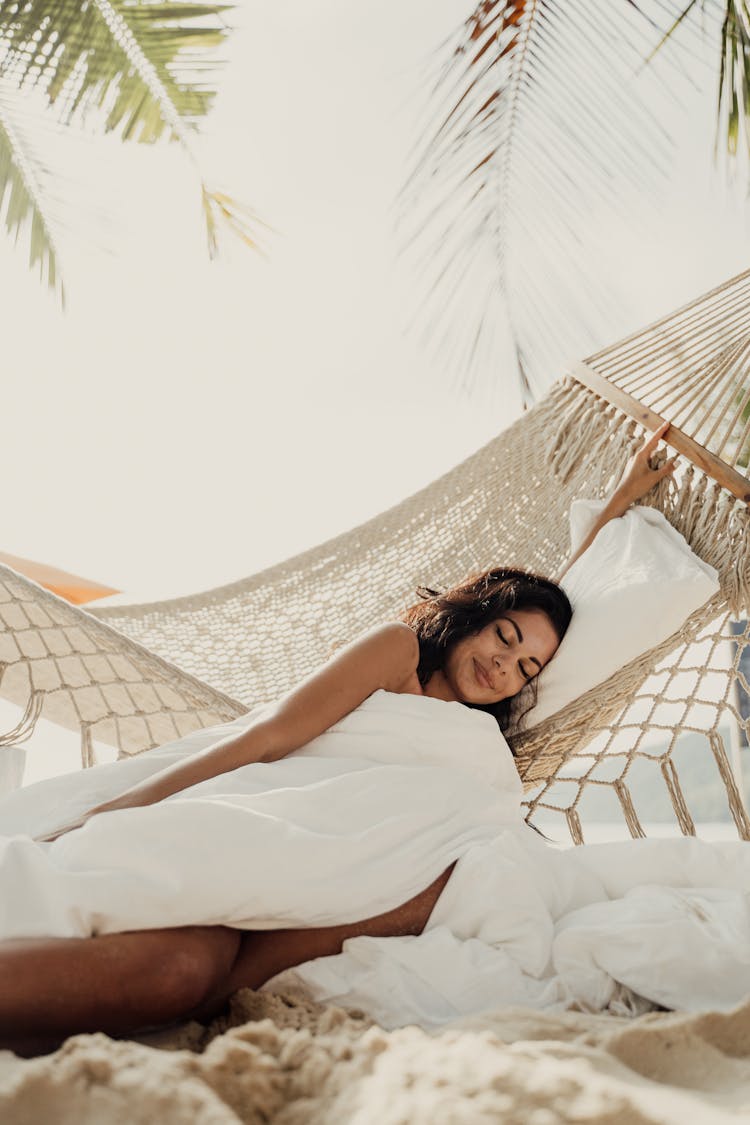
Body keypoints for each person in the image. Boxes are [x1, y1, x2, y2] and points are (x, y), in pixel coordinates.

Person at [0, 426, 678, 1055]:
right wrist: (124, 805)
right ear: (478, 611)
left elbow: (561, 605)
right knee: (177, 966)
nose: (507, 665)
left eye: (527, 667)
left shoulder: (474, 736)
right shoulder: (398, 654)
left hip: (330, 886)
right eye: (504, 637)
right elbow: (270, 736)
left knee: (189, 976)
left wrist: (619, 505)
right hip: (258, 818)